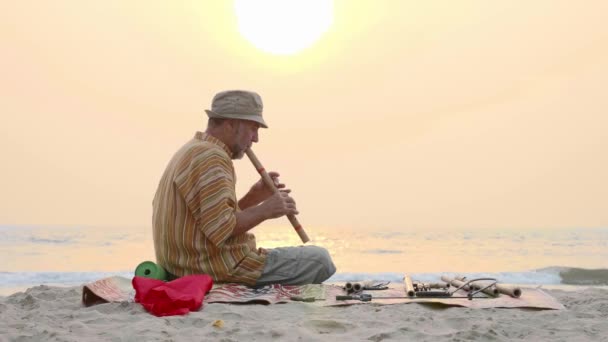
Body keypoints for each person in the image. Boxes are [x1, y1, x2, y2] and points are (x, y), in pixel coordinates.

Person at [152, 90, 336, 286]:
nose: (255, 139)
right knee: (320, 260)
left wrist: (253, 197)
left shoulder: (192, 149)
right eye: (253, 128)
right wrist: (267, 209)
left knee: (311, 258)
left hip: (182, 265)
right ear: (231, 123)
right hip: (213, 267)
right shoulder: (212, 158)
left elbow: (210, 221)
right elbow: (221, 229)